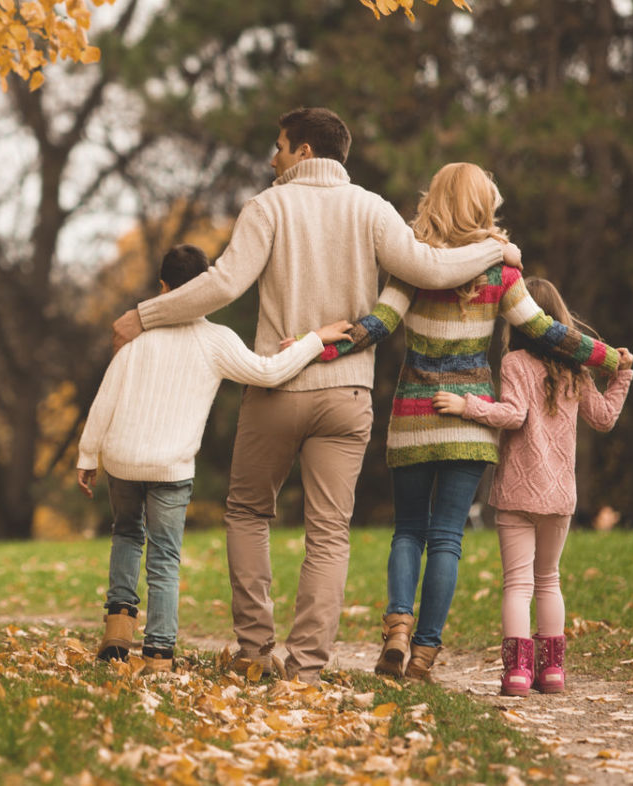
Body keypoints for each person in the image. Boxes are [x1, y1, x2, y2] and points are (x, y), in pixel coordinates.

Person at [110, 108, 520, 681]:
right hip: (347, 393)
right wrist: (496, 251)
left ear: (304, 151)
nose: (271, 158)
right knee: (329, 532)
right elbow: (428, 267)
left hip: (277, 386)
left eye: (278, 146)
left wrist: (144, 315)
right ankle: (307, 667)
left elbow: (224, 284)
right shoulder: (372, 209)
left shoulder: (267, 206)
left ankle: (255, 652)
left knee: (248, 512)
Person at [298, 162, 624, 682]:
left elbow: (378, 325)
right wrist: (604, 357)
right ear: (482, 207)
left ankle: (398, 629)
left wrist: (318, 347)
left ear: (436, 200)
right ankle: (425, 652)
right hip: (470, 422)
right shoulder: (501, 274)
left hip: (414, 413)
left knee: (408, 530)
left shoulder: (411, 265)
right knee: (447, 537)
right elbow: (544, 331)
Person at [78, 244, 353, 674]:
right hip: (170, 467)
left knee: (127, 535)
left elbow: (106, 396)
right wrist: (314, 340)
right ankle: (158, 655)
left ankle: (117, 632)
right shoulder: (216, 341)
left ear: (163, 288)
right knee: (165, 556)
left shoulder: (139, 336)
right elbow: (269, 372)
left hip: (122, 460)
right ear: (207, 289)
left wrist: (87, 453)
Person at [433, 277, 633, 695]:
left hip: (517, 493)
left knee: (518, 584)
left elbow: (513, 415)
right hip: (559, 494)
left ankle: (519, 673)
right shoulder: (576, 369)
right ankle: (554, 672)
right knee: (549, 579)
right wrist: (623, 377)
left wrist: (466, 405)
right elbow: (604, 418)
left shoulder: (514, 363)